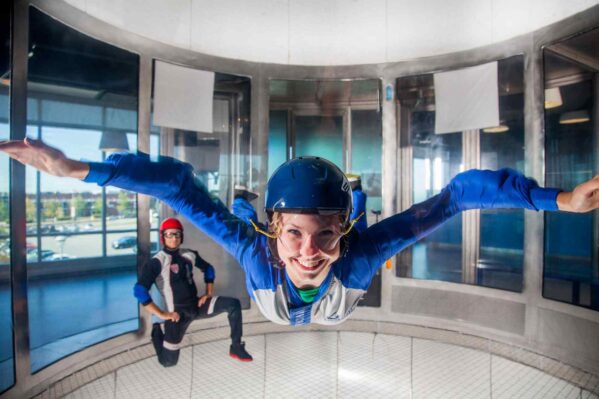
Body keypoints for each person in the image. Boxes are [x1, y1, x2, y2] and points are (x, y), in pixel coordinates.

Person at [1, 138, 598, 326]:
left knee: (364, 232)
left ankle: (354, 198)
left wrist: (558, 200)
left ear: (342, 231)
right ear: (272, 229)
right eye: (294, 235)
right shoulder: (263, 249)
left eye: (325, 235)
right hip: (314, 293)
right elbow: (179, 187)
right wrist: (78, 169)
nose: (310, 254)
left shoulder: (351, 253)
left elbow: (459, 194)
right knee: (346, 238)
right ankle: (350, 199)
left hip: (316, 283)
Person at [135, 217, 253, 366]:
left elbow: (208, 269)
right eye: (169, 234)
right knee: (168, 362)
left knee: (233, 304)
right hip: (176, 315)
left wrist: (208, 293)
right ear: (162, 237)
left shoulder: (189, 254)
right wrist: (163, 314)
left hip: (197, 306)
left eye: (177, 234)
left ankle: (236, 346)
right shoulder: (157, 262)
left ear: (181, 236)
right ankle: (156, 332)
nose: (174, 238)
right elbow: (139, 291)